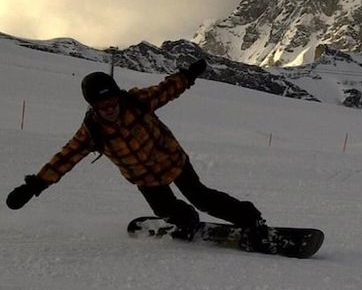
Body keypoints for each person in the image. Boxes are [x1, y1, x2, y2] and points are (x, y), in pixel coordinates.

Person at [5, 59, 270, 251]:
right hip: (144, 177)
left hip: (172, 160)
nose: (109, 109)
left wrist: (188, 75)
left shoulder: (137, 101)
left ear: (118, 97)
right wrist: (34, 186)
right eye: (101, 105)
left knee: (202, 196)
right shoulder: (92, 131)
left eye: (112, 102)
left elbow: (166, 89)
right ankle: (186, 221)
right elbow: (65, 159)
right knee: (165, 209)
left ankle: (251, 220)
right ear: (92, 105)